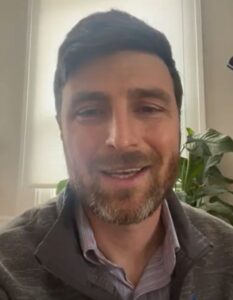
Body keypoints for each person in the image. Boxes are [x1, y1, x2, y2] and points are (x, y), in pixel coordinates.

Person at [0, 9, 233, 300]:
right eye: (90, 112)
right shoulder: (6, 269)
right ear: (61, 128)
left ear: (177, 120)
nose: (121, 140)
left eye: (148, 108)